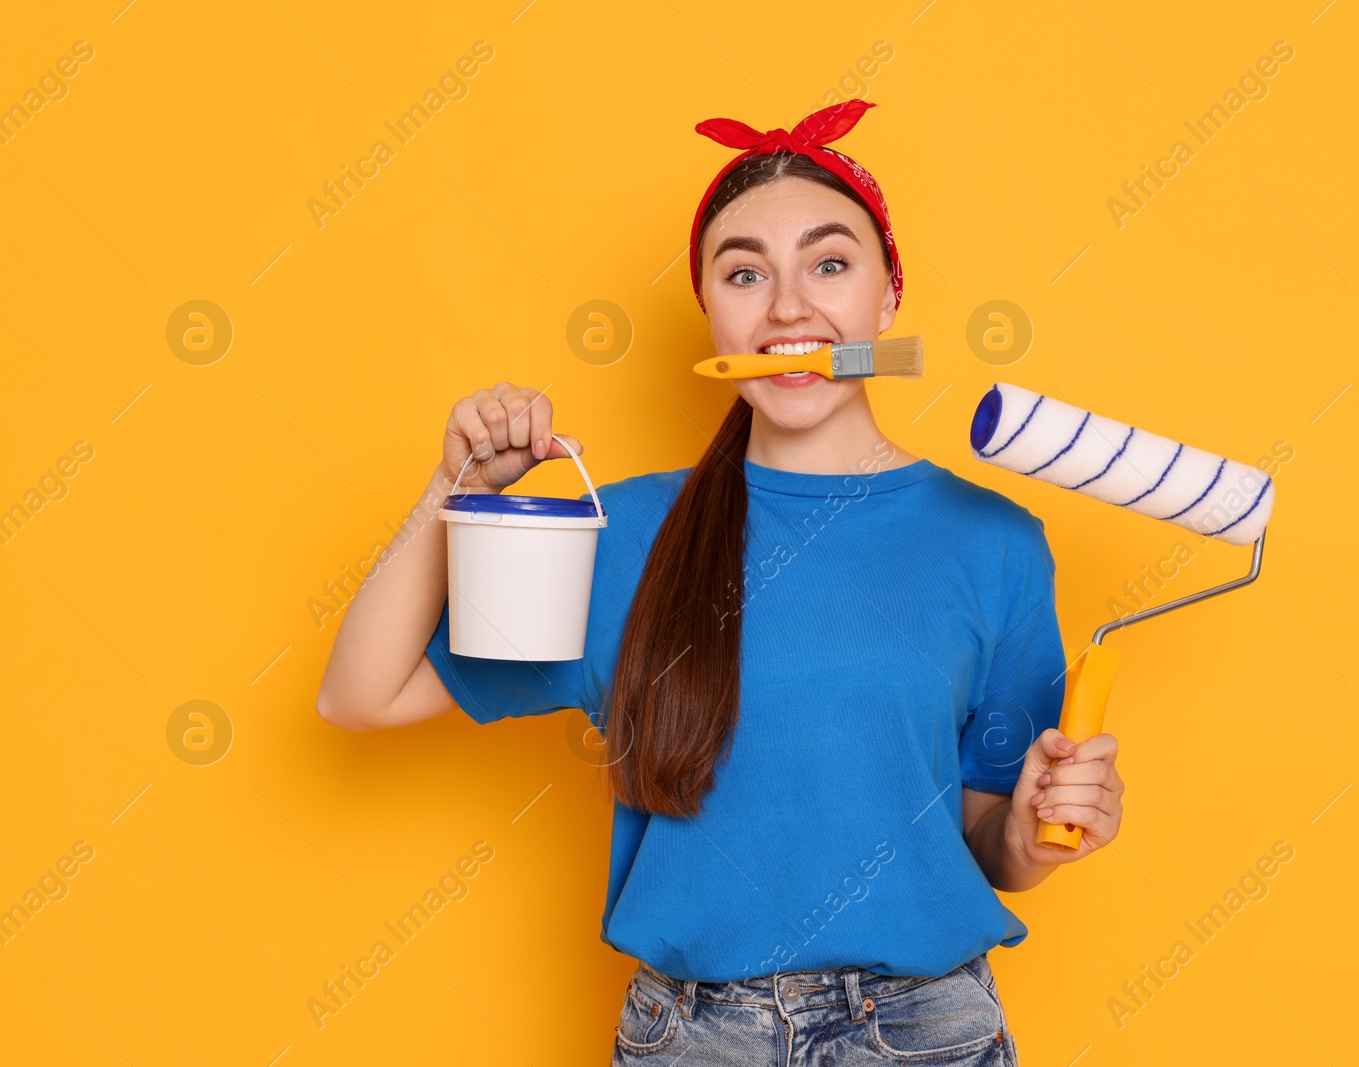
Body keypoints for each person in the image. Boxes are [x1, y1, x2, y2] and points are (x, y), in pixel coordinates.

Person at [316, 99, 1125, 1066]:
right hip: (692, 1039)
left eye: (830, 264)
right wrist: (452, 489)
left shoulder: (994, 541)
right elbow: (358, 695)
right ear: (710, 309)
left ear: (888, 299)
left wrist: (1035, 835)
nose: (789, 309)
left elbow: (988, 838)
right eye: (746, 273)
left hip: (926, 1035)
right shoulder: (621, 536)